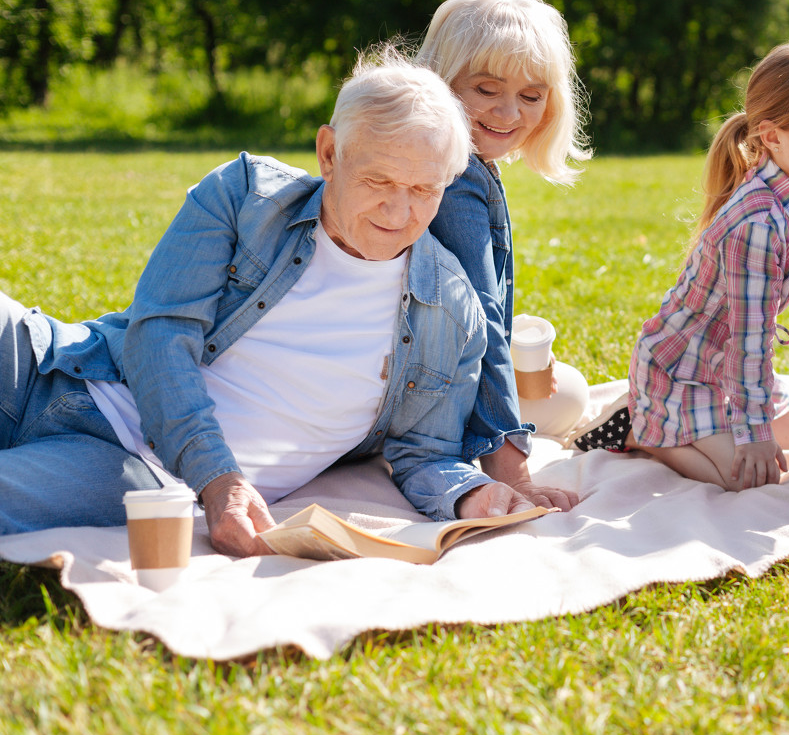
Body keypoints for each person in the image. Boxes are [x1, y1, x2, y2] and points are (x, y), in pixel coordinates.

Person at [0, 46, 533, 557]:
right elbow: (160, 334)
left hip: (132, 469)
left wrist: (469, 493)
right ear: (329, 153)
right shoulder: (246, 197)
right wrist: (218, 479)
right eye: (377, 180)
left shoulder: (454, 314)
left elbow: (425, 452)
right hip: (54, 362)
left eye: (424, 191)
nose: (398, 212)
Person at [574, 40, 789, 492]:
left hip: (727, 372)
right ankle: (639, 428)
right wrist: (754, 433)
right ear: (771, 136)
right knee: (749, 480)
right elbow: (752, 340)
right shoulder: (758, 223)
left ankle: (662, 417)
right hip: (682, 374)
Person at [414, 0, 592, 511]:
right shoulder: (456, 176)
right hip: (419, 391)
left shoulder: (462, 161)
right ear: (440, 83)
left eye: (531, 96)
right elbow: (481, 317)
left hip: (433, 363)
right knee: (569, 397)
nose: (509, 113)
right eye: (486, 90)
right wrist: (512, 467)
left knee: (569, 391)